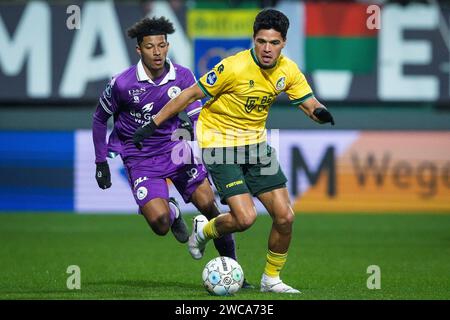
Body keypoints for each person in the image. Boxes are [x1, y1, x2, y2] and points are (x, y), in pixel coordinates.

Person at [133, 9, 335, 293]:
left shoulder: (288, 70)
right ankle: (203, 232)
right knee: (245, 218)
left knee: (286, 216)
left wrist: (322, 113)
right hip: (220, 143)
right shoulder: (233, 67)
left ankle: (271, 279)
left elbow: (309, 103)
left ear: (283, 43)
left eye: (274, 43)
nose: (267, 48)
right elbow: (189, 94)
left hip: (255, 146)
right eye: (261, 41)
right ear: (254, 39)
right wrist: (153, 123)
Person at [92, 16, 252, 288]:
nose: (157, 52)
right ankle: (174, 213)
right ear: (139, 50)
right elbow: (99, 119)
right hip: (140, 159)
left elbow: (198, 119)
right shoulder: (122, 83)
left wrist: (211, 152)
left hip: (177, 152)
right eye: (151, 47)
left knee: (211, 208)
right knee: (160, 223)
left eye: (162, 45)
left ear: (167, 46)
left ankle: (236, 271)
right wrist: (101, 161)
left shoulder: (183, 76)